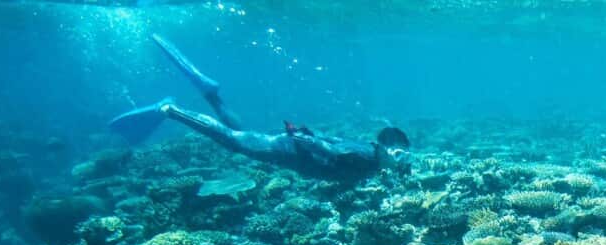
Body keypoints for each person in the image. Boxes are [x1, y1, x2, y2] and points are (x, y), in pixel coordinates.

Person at [109, 34, 410, 182]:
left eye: (403, 154)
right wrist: (301, 138)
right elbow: (329, 150)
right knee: (233, 140)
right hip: (287, 151)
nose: (401, 159)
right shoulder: (365, 156)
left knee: (241, 133)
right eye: (398, 152)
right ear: (385, 148)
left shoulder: (370, 156)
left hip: (292, 147)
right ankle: (170, 110)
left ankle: (211, 94)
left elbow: (332, 145)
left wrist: (304, 135)